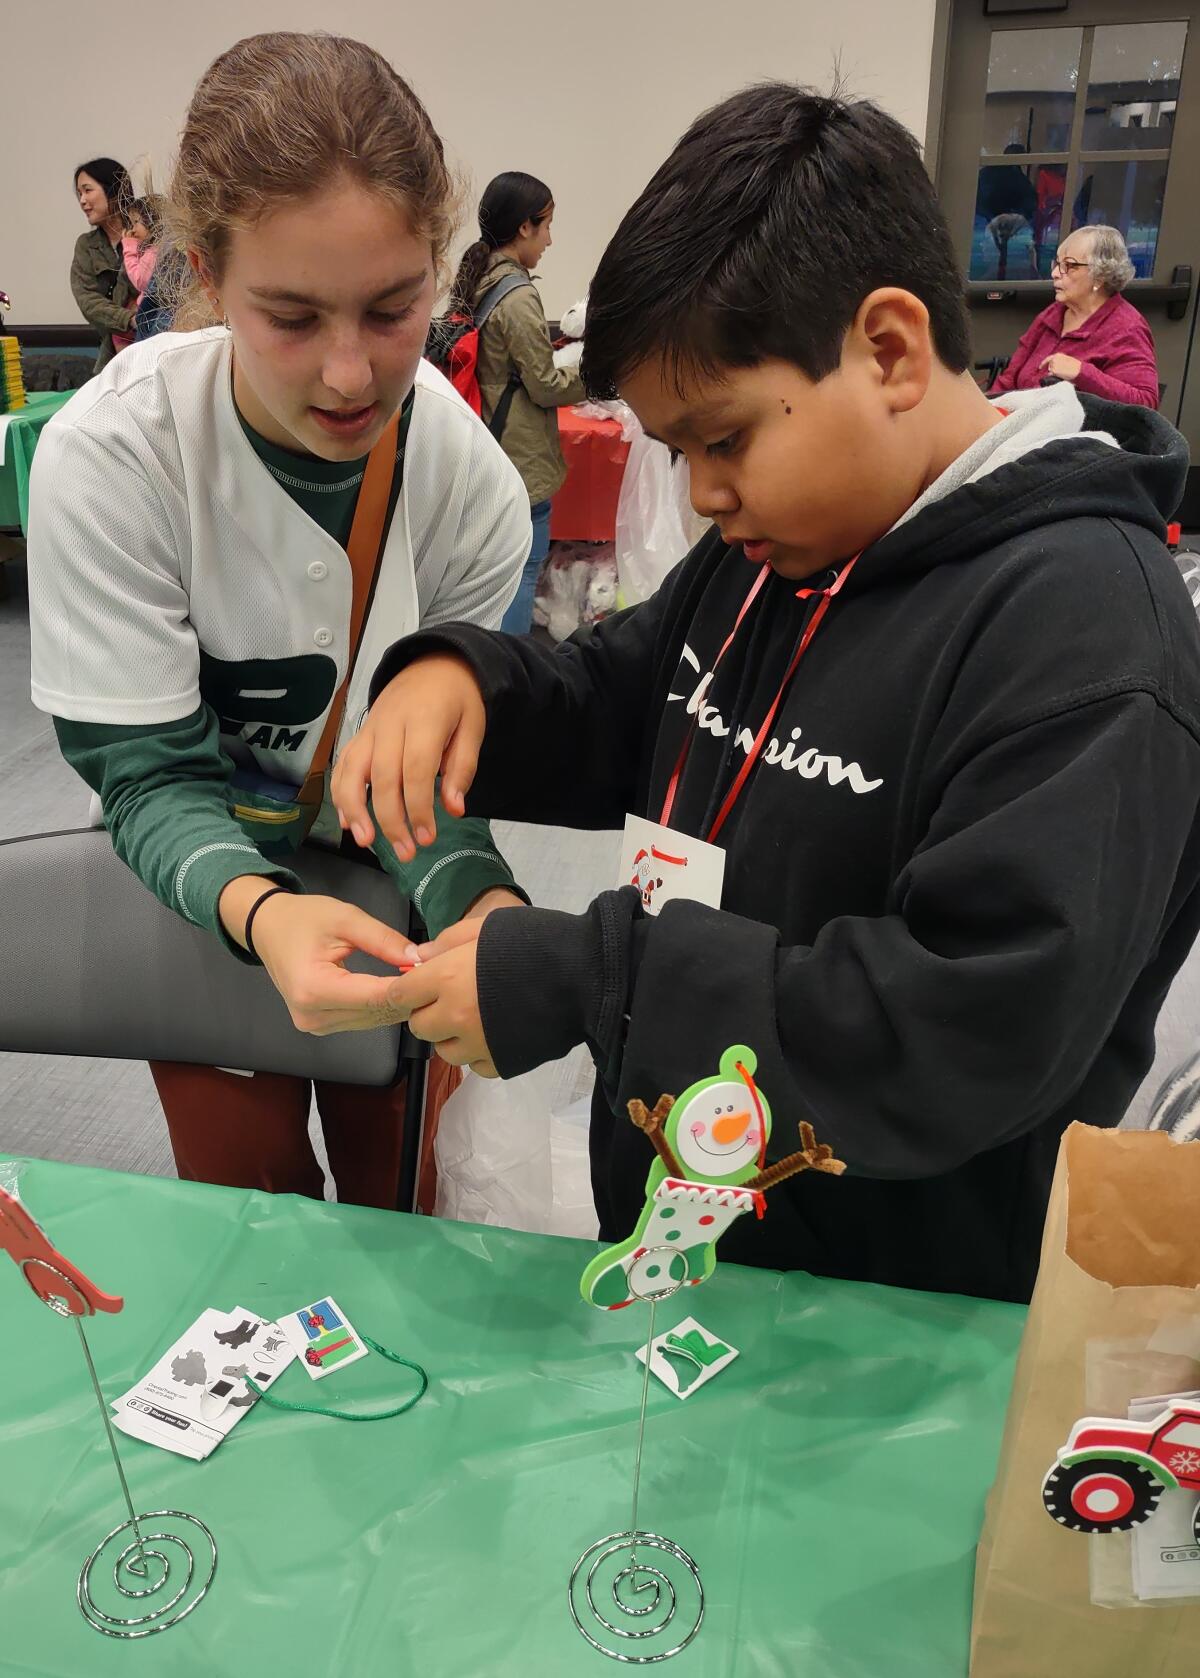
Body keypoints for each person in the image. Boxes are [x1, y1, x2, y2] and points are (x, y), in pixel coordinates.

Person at [334, 84, 1200, 1304]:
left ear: (890, 349)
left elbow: (963, 1021)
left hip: (896, 1317)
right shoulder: (784, 542)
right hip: (696, 1234)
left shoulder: (1091, 634)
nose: (697, 497)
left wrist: (588, 976)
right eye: (678, 454)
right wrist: (462, 678)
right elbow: (623, 695)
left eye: (723, 440)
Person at [28, 33, 531, 1210]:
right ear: (204, 272)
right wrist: (257, 910)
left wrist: (488, 916)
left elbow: (433, 775)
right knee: (247, 1214)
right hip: (203, 892)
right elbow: (148, 777)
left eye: (393, 309)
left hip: (387, 872)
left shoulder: (465, 484)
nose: (351, 374)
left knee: (407, 1206)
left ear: (435, 273)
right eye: (292, 317)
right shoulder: (116, 457)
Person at [450, 173, 585, 633]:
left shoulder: (480, 276)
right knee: (524, 569)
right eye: (546, 225)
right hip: (519, 457)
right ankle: (509, 667)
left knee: (491, 569)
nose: (550, 239)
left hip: (485, 441)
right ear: (524, 227)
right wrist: (596, 377)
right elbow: (545, 385)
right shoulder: (520, 295)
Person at [989, 224, 1160, 407]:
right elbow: (1007, 382)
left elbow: (1146, 403)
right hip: (1022, 424)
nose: (1055, 273)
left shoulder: (1127, 328)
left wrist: (1081, 373)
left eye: (1069, 266)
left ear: (1100, 275)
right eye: (1057, 264)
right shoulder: (1054, 313)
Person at [71, 158, 137, 371]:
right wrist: (129, 319)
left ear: (113, 189)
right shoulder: (86, 246)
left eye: (88, 190)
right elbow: (88, 301)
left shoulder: (148, 234)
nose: (82, 200)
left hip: (154, 344)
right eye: (79, 193)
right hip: (112, 356)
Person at [113, 196, 163, 353]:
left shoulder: (154, 251)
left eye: (136, 222)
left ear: (152, 221)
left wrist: (128, 247)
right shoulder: (156, 250)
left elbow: (140, 281)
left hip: (151, 317)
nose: (132, 229)